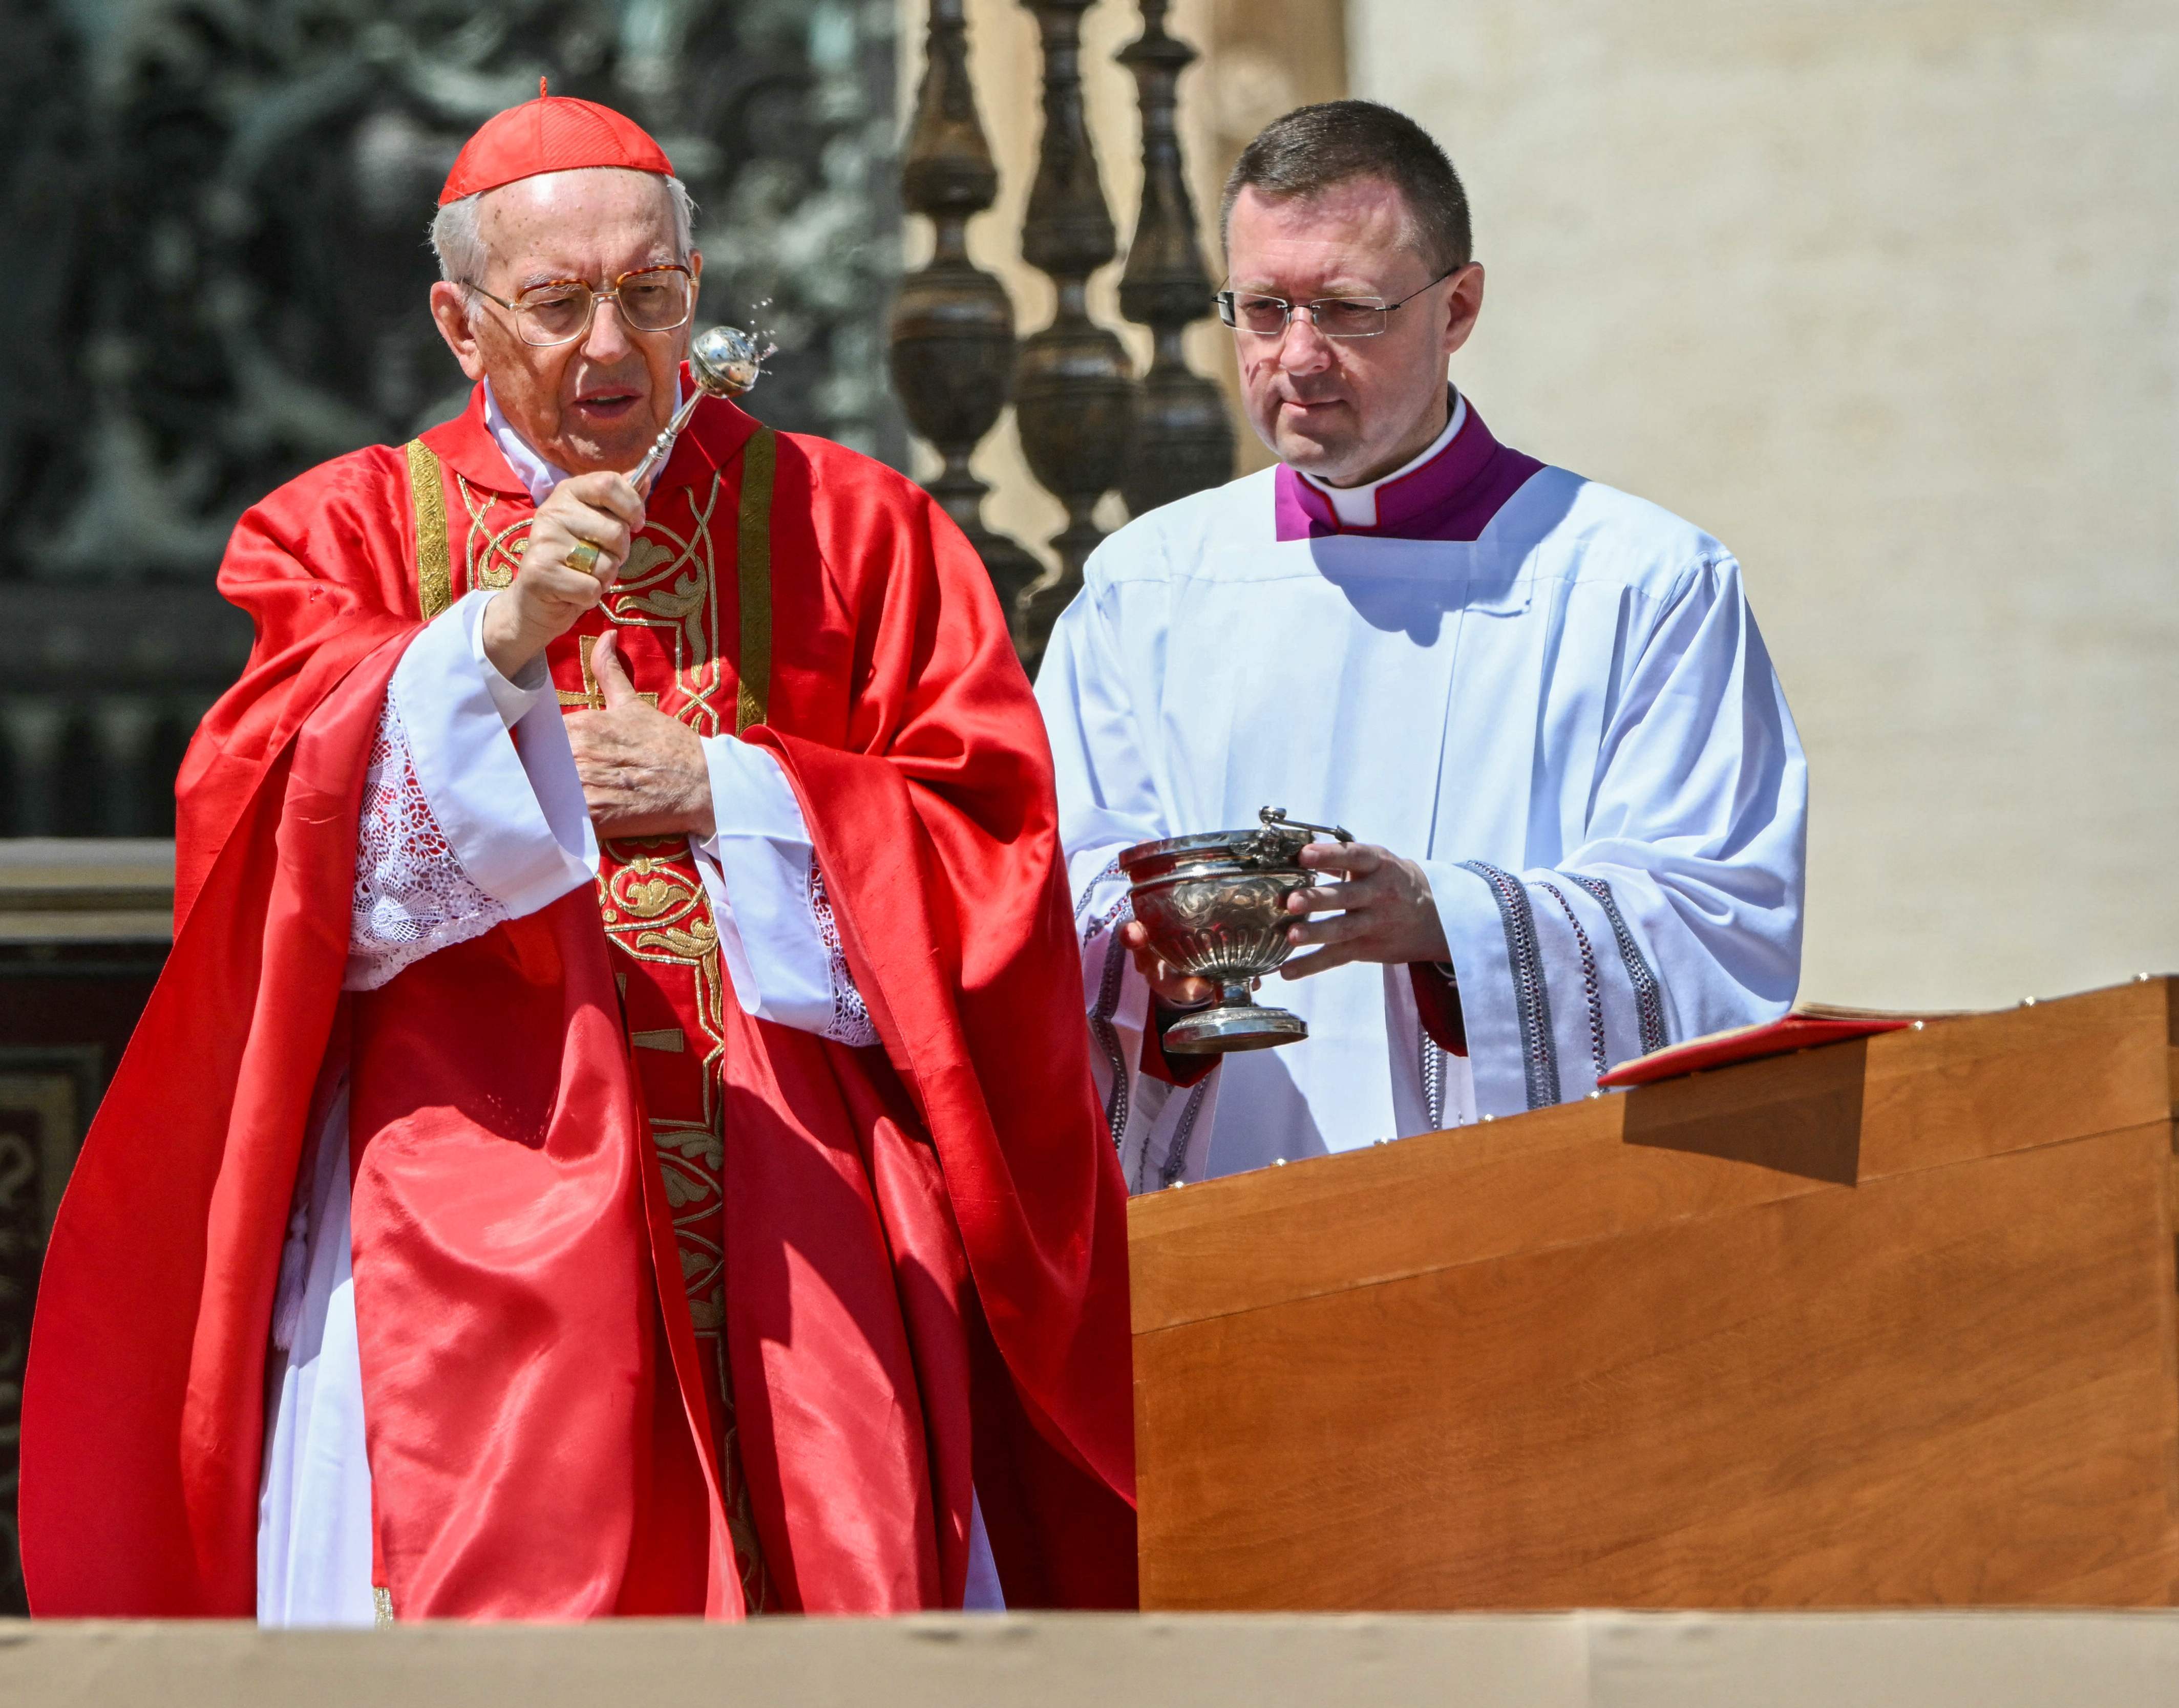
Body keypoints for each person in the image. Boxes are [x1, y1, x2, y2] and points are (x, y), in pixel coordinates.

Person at [20, 94, 1136, 1621]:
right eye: (554, 305)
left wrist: (728, 789)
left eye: (651, 295)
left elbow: (994, 856)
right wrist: (486, 644)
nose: (610, 348)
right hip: (467, 1186)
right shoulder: (340, 530)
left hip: (798, 1208)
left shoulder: (853, 529)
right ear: (460, 322)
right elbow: (266, 856)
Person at [1038, 101, 1808, 1188]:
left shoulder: (1639, 580)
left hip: (1516, 1218)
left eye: (1346, 311)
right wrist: (1145, 953)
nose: (1295, 358)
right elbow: (1043, 879)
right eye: (1263, 310)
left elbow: (1718, 930)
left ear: (1458, 308)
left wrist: (1444, 923)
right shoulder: (1146, 586)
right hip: (1221, 1212)